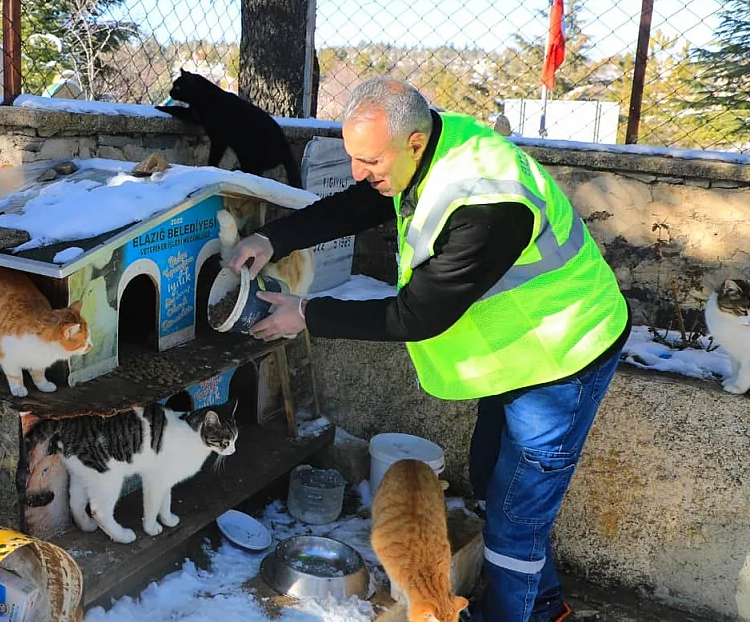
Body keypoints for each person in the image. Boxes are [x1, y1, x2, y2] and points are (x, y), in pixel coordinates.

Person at [226, 77, 627, 622]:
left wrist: (308, 314)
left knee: (515, 518)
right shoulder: (433, 141)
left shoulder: (490, 203)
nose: (358, 172)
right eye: (352, 157)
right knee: (489, 483)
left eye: (369, 160)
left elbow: (417, 314)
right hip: (516, 350)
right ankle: (547, 605)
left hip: (565, 352)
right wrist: (276, 238)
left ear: (413, 143)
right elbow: (356, 203)